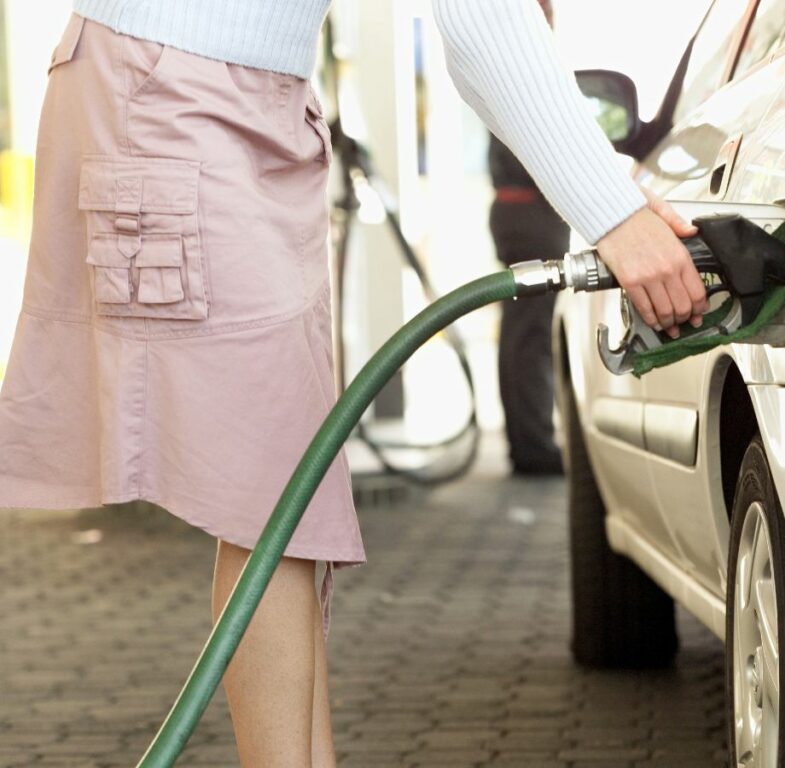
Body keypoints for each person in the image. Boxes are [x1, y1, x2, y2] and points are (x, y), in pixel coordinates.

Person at [0, 1, 708, 766]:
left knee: (290, 503)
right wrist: (613, 212)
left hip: (242, 99)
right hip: (174, 92)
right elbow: (486, 22)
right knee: (273, 496)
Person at [489, 0, 569, 476]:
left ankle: (530, 441)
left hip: (521, 212)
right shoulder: (521, 59)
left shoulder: (510, 60)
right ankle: (532, 446)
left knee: (525, 332)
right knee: (529, 334)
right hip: (528, 213)